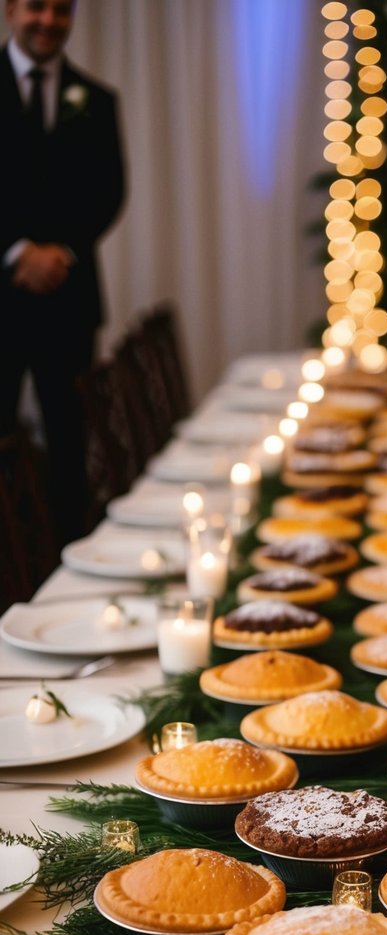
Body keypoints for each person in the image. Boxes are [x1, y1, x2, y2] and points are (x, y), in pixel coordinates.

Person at [0, 0, 125, 544]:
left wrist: (62, 252)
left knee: (71, 447)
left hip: (69, 299)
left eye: (61, 9)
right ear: (8, 10)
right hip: (1, 297)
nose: (48, 20)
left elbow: (109, 191)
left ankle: (70, 560)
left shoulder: (96, 99)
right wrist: (16, 253)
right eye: (36, 7)